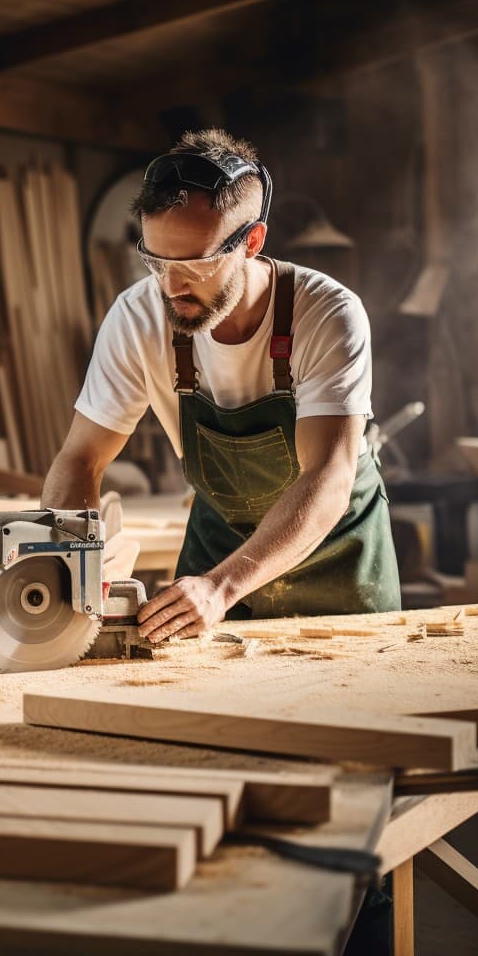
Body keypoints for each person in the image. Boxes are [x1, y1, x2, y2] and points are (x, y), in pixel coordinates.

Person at [42, 128, 401, 638]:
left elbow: (328, 476)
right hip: (219, 547)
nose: (170, 285)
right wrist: (64, 568)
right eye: (156, 260)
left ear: (251, 242)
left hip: (335, 556)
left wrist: (222, 588)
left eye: (194, 263)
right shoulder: (139, 315)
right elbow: (80, 459)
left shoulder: (327, 313)